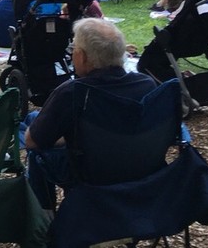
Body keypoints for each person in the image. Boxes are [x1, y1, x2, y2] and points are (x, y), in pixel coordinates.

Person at [25, 18, 156, 210]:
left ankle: (44, 219)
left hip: (88, 173)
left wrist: (64, 138)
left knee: (36, 152)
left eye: (73, 49)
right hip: (139, 170)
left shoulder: (72, 92)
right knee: (34, 120)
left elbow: (33, 142)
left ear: (82, 56)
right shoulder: (146, 84)